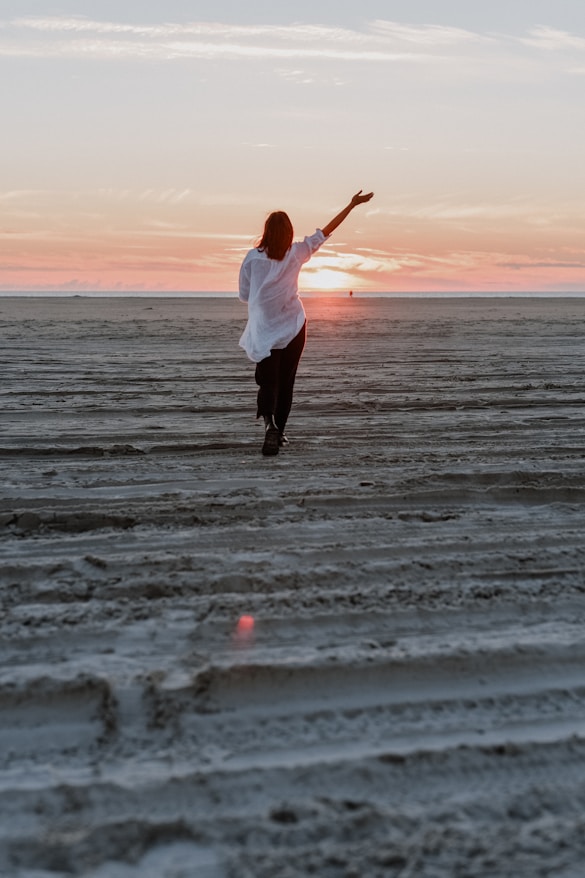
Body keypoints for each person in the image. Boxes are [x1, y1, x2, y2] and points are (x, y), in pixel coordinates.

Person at [238, 189, 374, 456]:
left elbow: (244, 294)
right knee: (286, 382)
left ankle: (270, 427)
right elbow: (326, 231)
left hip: (265, 329)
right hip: (293, 327)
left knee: (268, 381)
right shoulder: (296, 253)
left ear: (266, 232)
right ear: (289, 233)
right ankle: (281, 430)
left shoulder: (252, 258)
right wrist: (351, 204)